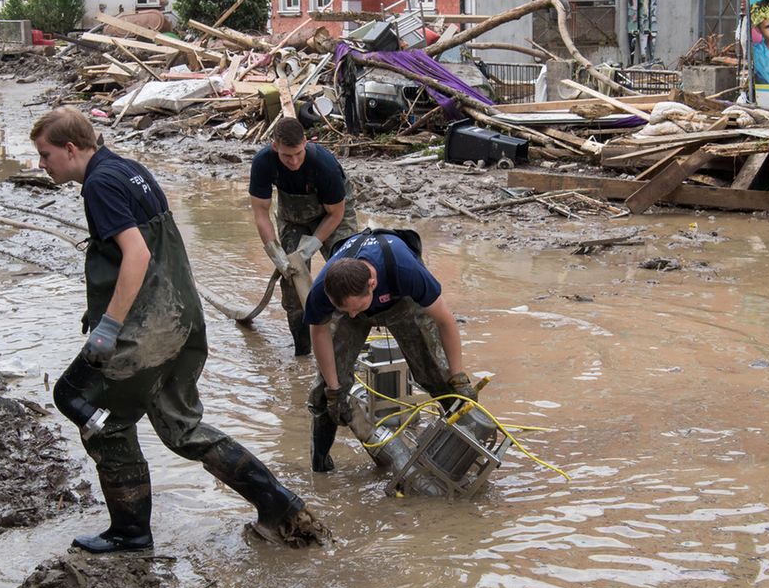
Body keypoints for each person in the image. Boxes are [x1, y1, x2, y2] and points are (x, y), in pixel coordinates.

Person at [31, 106, 327, 552]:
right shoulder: (130, 169)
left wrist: (109, 326)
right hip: (183, 321)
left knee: (82, 404)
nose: (41, 165)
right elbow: (153, 250)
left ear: (71, 149)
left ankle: (131, 531)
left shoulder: (99, 184)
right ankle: (281, 505)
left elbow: (137, 255)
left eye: (45, 155)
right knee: (182, 428)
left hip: (147, 330)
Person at [303, 230, 476, 472]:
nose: (352, 314)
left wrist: (458, 376)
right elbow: (319, 333)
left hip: (402, 302)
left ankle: (465, 457)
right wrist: (334, 390)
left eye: (356, 308)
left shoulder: (406, 270)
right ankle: (320, 466)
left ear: (372, 284)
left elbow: (445, 320)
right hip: (353, 298)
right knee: (325, 392)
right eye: (343, 309)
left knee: (440, 378)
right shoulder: (324, 289)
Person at [249, 116, 358, 357]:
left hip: (333, 214)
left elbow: (336, 213)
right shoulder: (263, 163)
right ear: (275, 146)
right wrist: (273, 251)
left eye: (299, 153)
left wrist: (313, 244)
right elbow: (261, 212)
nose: (294, 161)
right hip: (293, 217)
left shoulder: (324, 165)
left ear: (305, 143)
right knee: (292, 279)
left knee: (348, 273)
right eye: (287, 156)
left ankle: (347, 346)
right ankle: (303, 351)